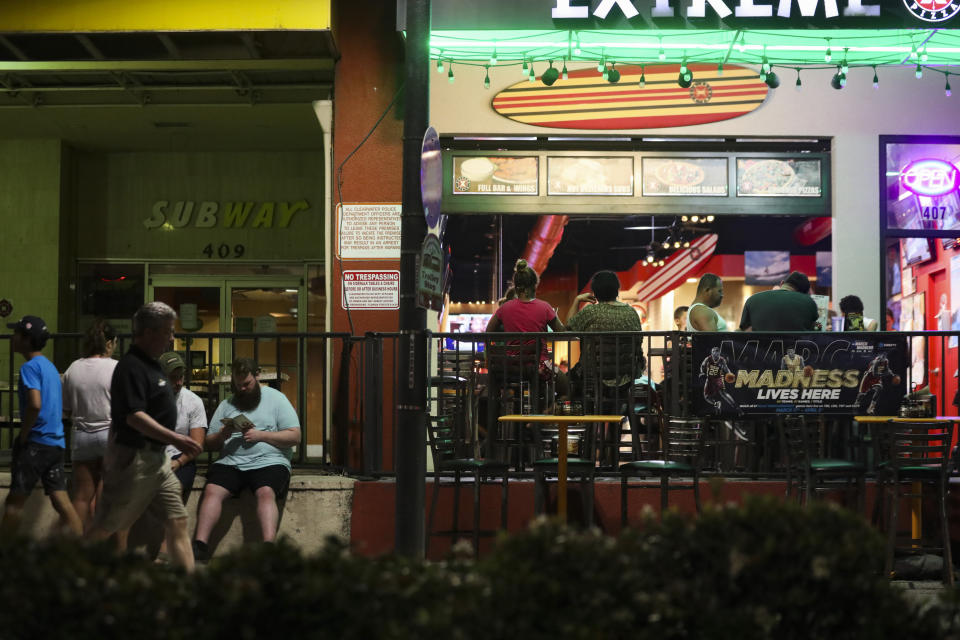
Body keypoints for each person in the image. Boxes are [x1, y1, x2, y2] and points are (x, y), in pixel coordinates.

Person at [86, 302, 202, 571]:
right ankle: (69, 574)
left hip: (157, 460)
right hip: (134, 459)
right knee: (108, 525)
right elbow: (133, 416)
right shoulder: (131, 367)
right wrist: (175, 438)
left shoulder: (153, 366)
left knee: (178, 519)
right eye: (167, 331)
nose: (172, 337)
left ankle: (190, 587)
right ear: (149, 332)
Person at [192, 358, 301, 563]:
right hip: (231, 461)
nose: (242, 389)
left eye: (247, 384)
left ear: (257, 376)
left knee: (265, 491)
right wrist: (223, 434)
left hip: (270, 460)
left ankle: (268, 547)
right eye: (238, 385)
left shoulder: (276, 398)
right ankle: (200, 544)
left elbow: (295, 436)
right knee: (212, 490)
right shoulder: (227, 404)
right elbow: (209, 443)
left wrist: (261, 436)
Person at [1, 316, 83, 538]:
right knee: (62, 501)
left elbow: (35, 404)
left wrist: (24, 435)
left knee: (14, 501)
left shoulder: (29, 368)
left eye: (17, 333)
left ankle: (6, 557)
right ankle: (82, 549)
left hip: (35, 444)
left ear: (27, 340)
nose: (12, 337)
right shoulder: (49, 366)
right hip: (55, 444)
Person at [62, 318, 118, 530]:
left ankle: (78, 549)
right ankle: (102, 550)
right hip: (109, 436)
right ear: (110, 343)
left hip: (81, 436)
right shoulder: (115, 368)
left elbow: (66, 411)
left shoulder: (72, 369)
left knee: (82, 498)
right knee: (105, 499)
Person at [485, 258, 568, 400]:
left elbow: (488, 332)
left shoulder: (505, 308)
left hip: (509, 364)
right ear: (534, 286)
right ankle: (542, 417)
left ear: (516, 287)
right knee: (566, 386)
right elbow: (561, 331)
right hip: (540, 365)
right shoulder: (545, 307)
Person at [565, 270, 644, 388]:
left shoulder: (590, 312)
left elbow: (568, 327)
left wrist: (577, 300)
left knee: (565, 382)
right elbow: (639, 341)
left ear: (595, 292)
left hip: (592, 376)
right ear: (617, 290)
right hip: (626, 378)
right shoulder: (631, 313)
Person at [158, 352, 207, 503]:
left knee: (171, 493)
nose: (179, 382)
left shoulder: (193, 402)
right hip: (153, 457)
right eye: (173, 377)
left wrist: (178, 462)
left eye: (181, 377)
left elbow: (197, 444)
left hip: (181, 458)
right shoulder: (149, 399)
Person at [739, 271, 818, 331]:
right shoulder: (809, 302)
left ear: (782, 283)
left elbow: (743, 330)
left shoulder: (752, 300)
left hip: (761, 351)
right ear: (804, 293)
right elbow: (816, 330)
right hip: (796, 351)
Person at [699, 346, 742, 416]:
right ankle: (716, 403)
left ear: (719, 353)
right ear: (712, 353)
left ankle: (737, 408)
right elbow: (702, 366)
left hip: (718, 379)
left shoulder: (722, 360)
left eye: (716, 352)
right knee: (706, 397)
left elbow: (726, 368)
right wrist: (701, 372)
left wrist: (730, 374)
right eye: (713, 352)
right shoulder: (708, 358)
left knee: (723, 393)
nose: (715, 354)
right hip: (709, 379)